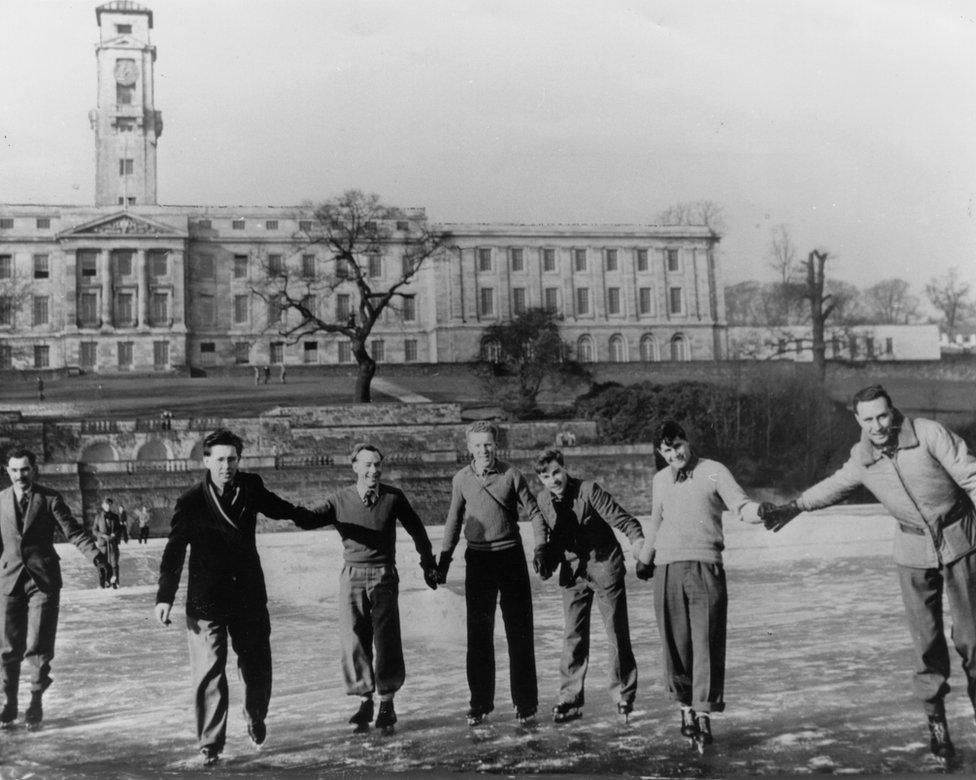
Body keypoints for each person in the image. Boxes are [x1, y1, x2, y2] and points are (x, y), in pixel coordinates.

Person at [760, 384, 976, 760]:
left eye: (882, 415)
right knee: (926, 644)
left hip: (961, 540)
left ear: (893, 411)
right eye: (868, 419)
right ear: (857, 420)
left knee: (973, 639)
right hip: (911, 552)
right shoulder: (862, 458)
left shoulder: (928, 434)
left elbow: (971, 475)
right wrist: (795, 506)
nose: (877, 425)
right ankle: (936, 722)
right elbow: (835, 486)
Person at [154, 428, 319, 766]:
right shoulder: (190, 501)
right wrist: (164, 596)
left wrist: (316, 517)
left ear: (238, 460)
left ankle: (255, 714)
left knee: (256, 664)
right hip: (206, 599)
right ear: (206, 461)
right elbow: (174, 550)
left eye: (232, 459)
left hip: (247, 595)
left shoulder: (251, 487)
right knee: (209, 672)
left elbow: (280, 508)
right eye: (220, 460)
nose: (227, 466)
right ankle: (211, 743)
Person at [635, 420, 762, 748]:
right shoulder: (660, 480)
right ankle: (685, 708)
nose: (674, 453)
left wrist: (762, 512)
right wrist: (645, 558)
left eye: (677, 445)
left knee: (706, 641)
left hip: (706, 566)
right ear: (660, 453)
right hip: (667, 568)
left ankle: (704, 713)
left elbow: (740, 504)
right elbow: (655, 521)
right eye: (666, 450)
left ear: (687, 442)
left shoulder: (713, 470)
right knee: (676, 645)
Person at [308, 444, 439, 733]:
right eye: (367, 465)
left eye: (377, 464)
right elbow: (311, 518)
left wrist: (428, 563)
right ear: (354, 466)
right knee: (354, 638)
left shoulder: (393, 497)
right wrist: (283, 510)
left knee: (386, 639)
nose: (373, 470)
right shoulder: (340, 499)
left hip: (383, 575)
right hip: (352, 575)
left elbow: (417, 529)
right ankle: (365, 699)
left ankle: (387, 703)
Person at [437, 420, 548, 726]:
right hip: (479, 562)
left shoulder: (511, 474)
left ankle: (526, 703)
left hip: (511, 558)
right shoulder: (461, 479)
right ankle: (480, 703)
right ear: (468, 448)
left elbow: (535, 513)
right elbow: (453, 520)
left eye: (488, 444)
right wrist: (443, 561)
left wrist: (540, 548)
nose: (483, 450)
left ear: (495, 446)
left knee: (519, 634)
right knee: (479, 636)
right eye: (477, 445)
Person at [0, 448, 109, 730]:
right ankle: (8, 702)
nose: (19, 475)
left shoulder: (49, 499)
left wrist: (96, 557)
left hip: (43, 581)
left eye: (25, 469)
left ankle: (35, 700)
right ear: (7, 471)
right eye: (14, 470)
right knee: (8, 645)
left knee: (38, 643)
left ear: (33, 469)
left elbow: (72, 531)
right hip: (9, 581)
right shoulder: (0, 501)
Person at [533, 449, 644, 722]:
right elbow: (544, 538)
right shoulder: (543, 500)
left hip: (604, 565)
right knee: (573, 634)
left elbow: (622, 519)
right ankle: (570, 695)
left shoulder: (588, 490)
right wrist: (542, 558)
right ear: (540, 479)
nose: (553, 479)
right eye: (546, 476)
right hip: (573, 572)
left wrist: (638, 541)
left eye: (557, 472)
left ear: (565, 468)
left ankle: (623, 695)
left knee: (616, 633)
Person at [93, 497, 128, 588]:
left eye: (109, 505)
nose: (108, 506)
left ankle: (115, 582)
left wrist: (114, 535)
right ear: (103, 505)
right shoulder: (98, 517)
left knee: (114, 563)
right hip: (103, 545)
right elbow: (94, 530)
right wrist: (102, 535)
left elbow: (119, 529)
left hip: (113, 544)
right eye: (106, 504)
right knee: (103, 564)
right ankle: (103, 583)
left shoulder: (115, 517)